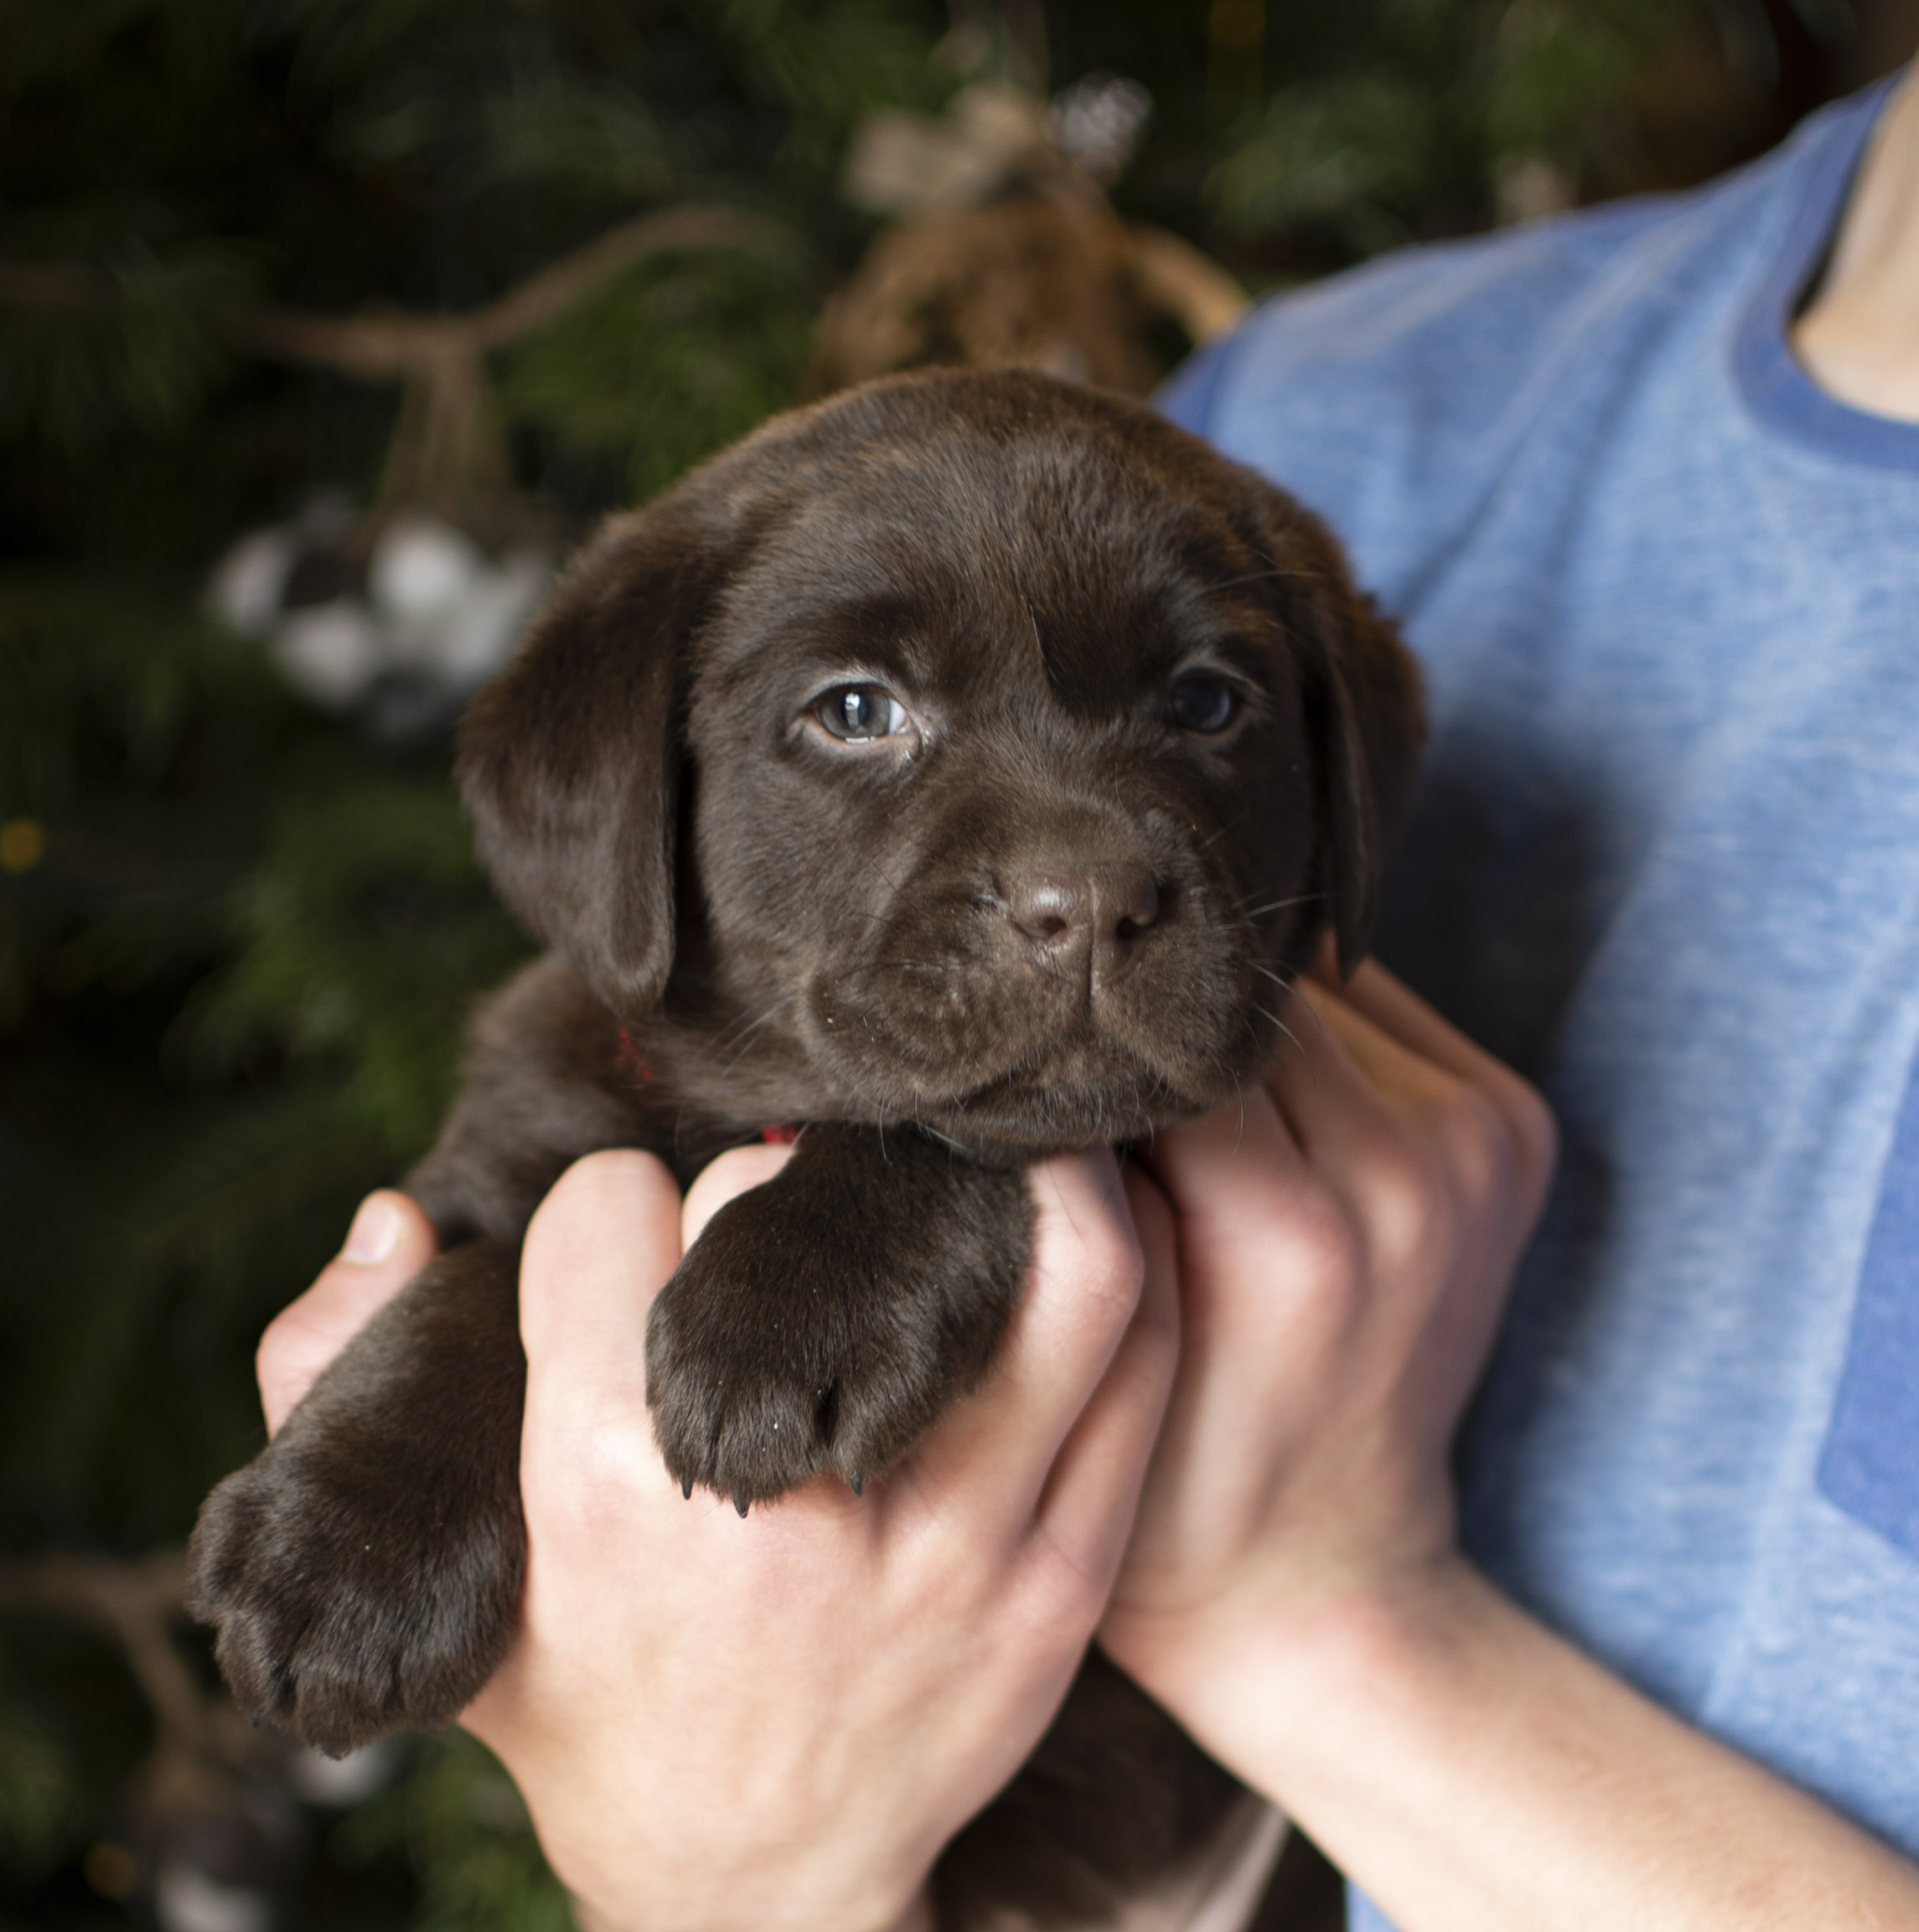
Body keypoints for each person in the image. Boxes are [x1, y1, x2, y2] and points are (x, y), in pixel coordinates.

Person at [257, 61, 1919, 1932]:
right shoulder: (1355, 392)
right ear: (619, 807)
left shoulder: (1311, 519)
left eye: (1201, 704)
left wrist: (1313, 1618)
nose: (1083, 868)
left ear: (1329, 777)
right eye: (856, 712)